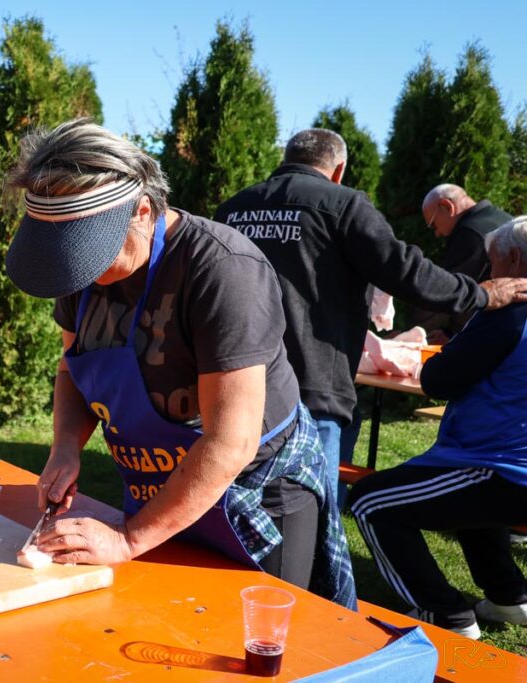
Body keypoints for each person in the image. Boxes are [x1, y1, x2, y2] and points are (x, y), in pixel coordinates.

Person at [4, 120, 355, 609]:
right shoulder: (79, 276)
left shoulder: (222, 269)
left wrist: (129, 539)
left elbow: (230, 442)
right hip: (157, 490)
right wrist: (65, 445)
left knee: (254, 638)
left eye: (89, 254)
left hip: (255, 494)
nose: (82, 275)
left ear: (142, 211)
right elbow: (73, 369)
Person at [214, 129, 527, 504]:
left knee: (233, 505)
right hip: (311, 388)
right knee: (308, 508)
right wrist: (480, 294)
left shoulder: (232, 208)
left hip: (235, 380)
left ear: (286, 159)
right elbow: (405, 270)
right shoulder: (342, 204)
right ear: (338, 170)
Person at [350, 215, 527, 639]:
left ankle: (447, 615)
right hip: (507, 466)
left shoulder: (510, 315)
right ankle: (509, 598)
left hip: (501, 465)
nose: (488, 275)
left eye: (492, 263)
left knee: (370, 501)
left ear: (514, 261)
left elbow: (438, 379)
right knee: (466, 504)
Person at [411, 184, 514, 342]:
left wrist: (412, 334)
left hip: (492, 335)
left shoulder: (469, 234)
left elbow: (446, 292)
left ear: (447, 207)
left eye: (433, 224)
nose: (437, 233)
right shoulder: (503, 218)